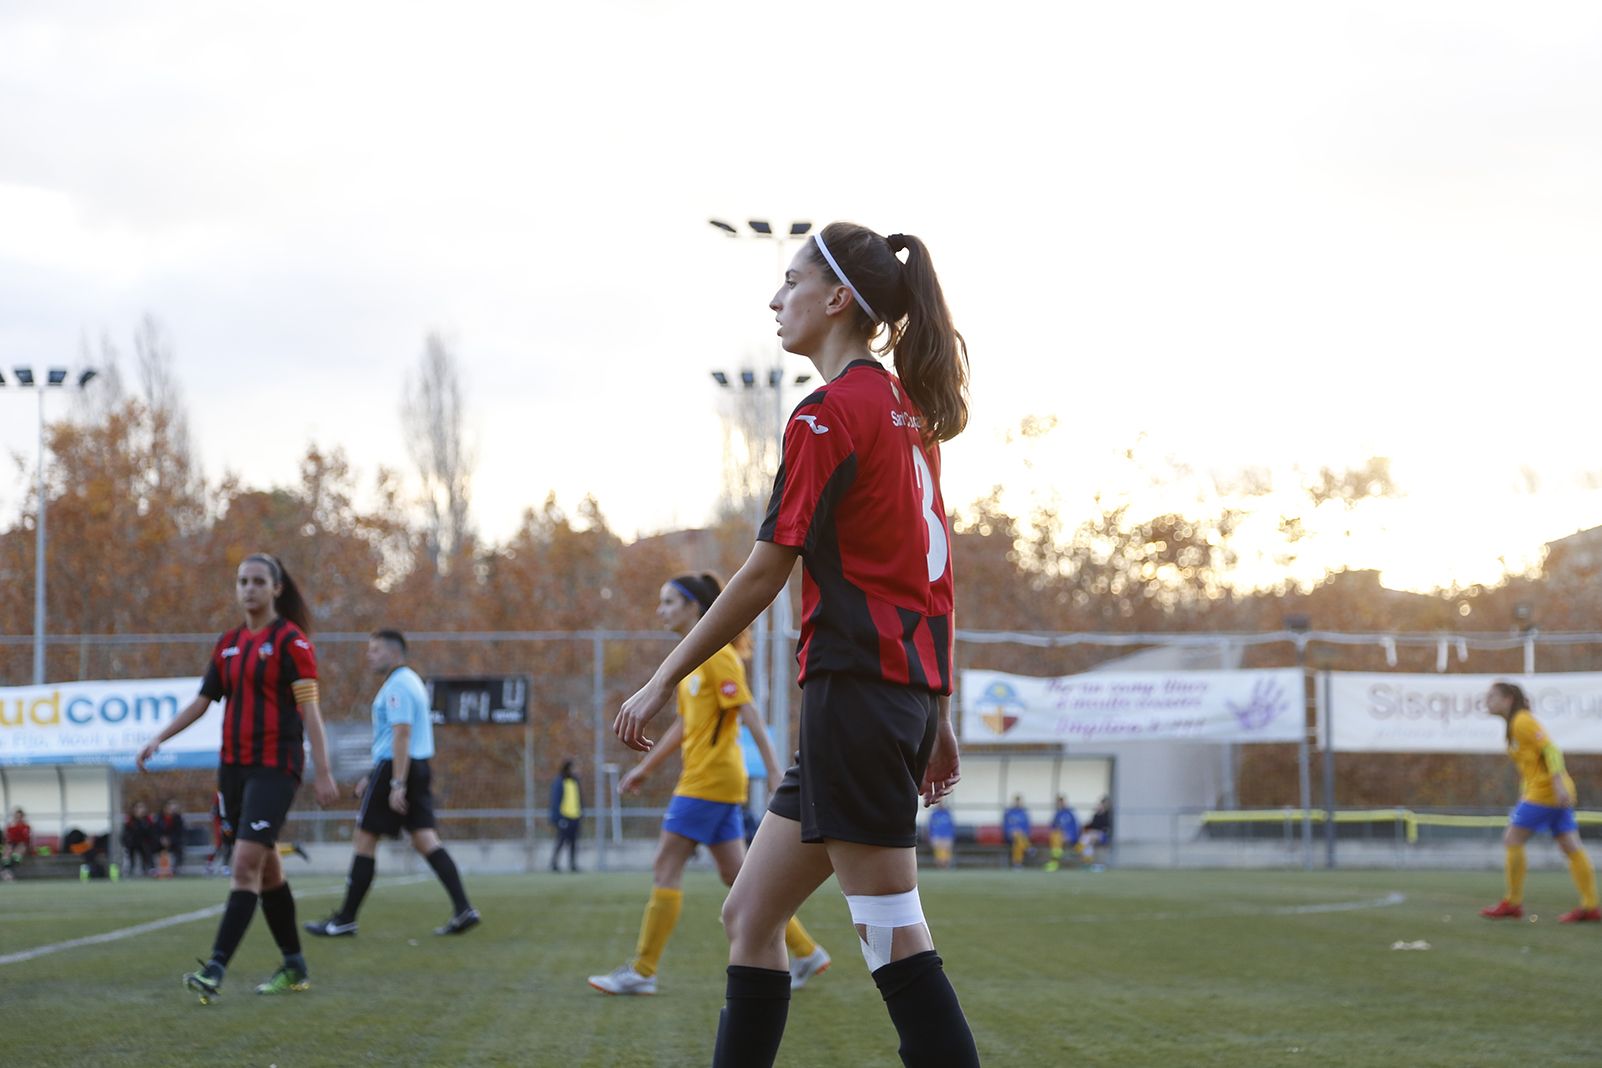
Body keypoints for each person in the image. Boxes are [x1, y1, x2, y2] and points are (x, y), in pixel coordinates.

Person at [614, 222, 980, 1067]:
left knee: (893, 935)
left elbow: (761, 574)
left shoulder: (826, 414)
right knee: (749, 916)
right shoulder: (908, 414)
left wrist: (661, 679)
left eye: (790, 281)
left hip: (857, 700)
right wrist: (936, 710)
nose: (775, 299)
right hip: (881, 700)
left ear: (837, 298)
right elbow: (933, 581)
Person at [589, 573, 830, 996]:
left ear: (694, 608)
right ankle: (807, 952)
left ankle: (643, 970)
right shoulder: (691, 662)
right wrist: (646, 768)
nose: (660, 610)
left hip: (708, 781)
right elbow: (686, 725)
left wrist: (775, 771)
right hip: (710, 781)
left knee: (666, 864)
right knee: (737, 875)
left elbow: (749, 715)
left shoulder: (719, 658)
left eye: (668, 602)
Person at [137, 552, 339, 1001]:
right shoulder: (227, 643)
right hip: (232, 770)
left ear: (276, 589)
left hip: (275, 768)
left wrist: (323, 771)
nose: (249, 589)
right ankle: (294, 965)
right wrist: (159, 739)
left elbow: (310, 710)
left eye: (258, 581)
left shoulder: (291, 642)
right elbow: (202, 701)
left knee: (245, 864)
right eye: (242, 581)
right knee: (267, 871)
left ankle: (215, 969)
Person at [306, 629, 479, 938]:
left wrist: (396, 783)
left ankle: (345, 919)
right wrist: (374, 776)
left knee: (364, 839)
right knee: (425, 839)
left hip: (398, 769)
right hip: (415, 766)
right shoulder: (412, 680)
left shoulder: (398, 685)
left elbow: (402, 734)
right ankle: (464, 908)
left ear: (395, 653)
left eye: (375, 650)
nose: (369, 656)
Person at [1479, 681, 1598, 923]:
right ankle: (1591, 906)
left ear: (1508, 699)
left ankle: (1513, 903)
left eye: (1492, 696)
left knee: (1512, 839)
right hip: (1546, 791)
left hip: (1547, 792)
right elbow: (1531, 764)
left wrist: (1557, 784)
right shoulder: (1514, 724)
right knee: (1571, 845)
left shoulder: (1522, 721)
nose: (1487, 701)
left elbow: (1551, 750)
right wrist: (1527, 792)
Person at [550, 759, 582, 872]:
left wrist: (581, 812)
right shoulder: (560, 781)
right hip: (564, 817)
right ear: (567, 769)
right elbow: (555, 801)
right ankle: (554, 864)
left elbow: (579, 798)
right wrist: (559, 818)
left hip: (575, 816)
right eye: (573, 768)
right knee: (561, 841)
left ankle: (572, 865)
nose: (575, 770)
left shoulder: (575, 781)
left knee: (574, 843)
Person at [1043, 795, 1080, 873]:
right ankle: (1055, 861)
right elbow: (1052, 826)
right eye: (1058, 803)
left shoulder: (1070, 813)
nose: (1060, 804)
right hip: (1058, 836)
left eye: (1061, 803)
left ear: (1064, 802)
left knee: (1056, 837)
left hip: (1069, 836)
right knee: (1055, 836)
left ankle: (1054, 862)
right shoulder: (1057, 814)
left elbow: (1075, 827)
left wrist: (1069, 835)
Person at [122, 800, 158, 876]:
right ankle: (130, 869)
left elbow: (151, 833)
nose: (140, 810)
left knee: (146, 848)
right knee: (130, 850)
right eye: (138, 807)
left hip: (145, 843)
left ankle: (150, 869)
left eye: (142, 807)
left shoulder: (148, 820)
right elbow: (126, 834)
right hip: (132, 843)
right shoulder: (130, 820)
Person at [154, 799, 187, 875]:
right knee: (148, 847)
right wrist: (161, 839)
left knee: (179, 847)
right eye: (170, 806)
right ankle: (152, 868)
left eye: (173, 806)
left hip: (174, 841)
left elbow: (180, 833)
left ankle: (176, 868)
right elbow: (155, 831)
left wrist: (170, 840)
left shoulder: (178, 818)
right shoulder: (158, 818)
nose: (172, 808)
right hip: (160, 841)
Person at [1081, 796, 1113, 867]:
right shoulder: (1096, 815)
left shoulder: (1108, 815)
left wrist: (1096, 830)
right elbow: (1092, 825)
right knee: (1087, 840)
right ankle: (1087, 860)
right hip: (1094, 834)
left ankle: (1085, 857)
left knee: (1089, 838)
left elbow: (1105, 827)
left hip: (1103, 835)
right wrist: (1085, 826)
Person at [1002, 796, 1032, 869]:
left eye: (1019, 801)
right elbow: (1005, 826)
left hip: (1022, 836)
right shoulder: (1008, 812)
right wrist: (1011, 831)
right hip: (1010, 836)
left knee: (1018, 841)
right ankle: (1028, 848)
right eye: (1016, 801)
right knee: (1018, 838)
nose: (1017, 803)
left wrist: (1022, 832)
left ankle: (1017, 863)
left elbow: (1027, 826)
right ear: (1013, 802)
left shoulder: (1024, 813)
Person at [1, 806, 30, 880]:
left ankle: (7, 871)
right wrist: (8, 845)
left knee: (16, 854)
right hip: (12, 843)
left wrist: (20, 845)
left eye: (19, 816)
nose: (18, 818)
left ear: (22, 817)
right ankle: (6, 872)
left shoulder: (25, 826)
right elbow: (7, 838)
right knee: (6, 853)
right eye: (16, 816)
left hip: (22, 844)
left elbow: (25, 839)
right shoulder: (10, 826)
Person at [926, 802, 955, 870]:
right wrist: (930, 835)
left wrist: (952, 835)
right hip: (936, 835)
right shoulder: (934, 814)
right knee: (938, 851)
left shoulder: (947, 813)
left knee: (946, 851)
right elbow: (930, 826)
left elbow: (951, 826)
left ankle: (946, 865)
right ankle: (939, 866)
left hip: (947, 835)